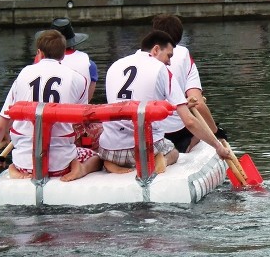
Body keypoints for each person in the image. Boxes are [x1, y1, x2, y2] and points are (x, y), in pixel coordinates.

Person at [99, 31, 232, 174]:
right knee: (173, 152)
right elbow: (189, 121)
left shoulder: (115, 65)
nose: (169, 62)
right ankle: (160, 162)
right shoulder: (161, 69)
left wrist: (180, 105)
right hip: (144, 151)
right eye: (169, 55)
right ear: (156, 49)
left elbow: (130, 102)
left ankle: (110, 163)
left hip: (110, 149)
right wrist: (217, 146)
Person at [0, 30, 100, 182]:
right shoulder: (77, 79)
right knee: (97, 158)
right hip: (60, 165)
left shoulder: (23, 74)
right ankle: (80, 169)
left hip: (25, 163)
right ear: (63, 55)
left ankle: (14, 168)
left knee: (20, 151)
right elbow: (80, 121)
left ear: (39, 52)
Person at [152, 15, 223, 154]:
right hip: (176, 132)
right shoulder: (183, 54)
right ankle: (188, 146)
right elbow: (199, 104)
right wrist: (216, 131)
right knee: (202, 123)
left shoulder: (140, 56)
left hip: (148, 131)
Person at [41, 18, 98, 102]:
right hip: (76, 113)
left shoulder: (39, 63)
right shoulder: (89, 64)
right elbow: (86, 100)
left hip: (43, 112)